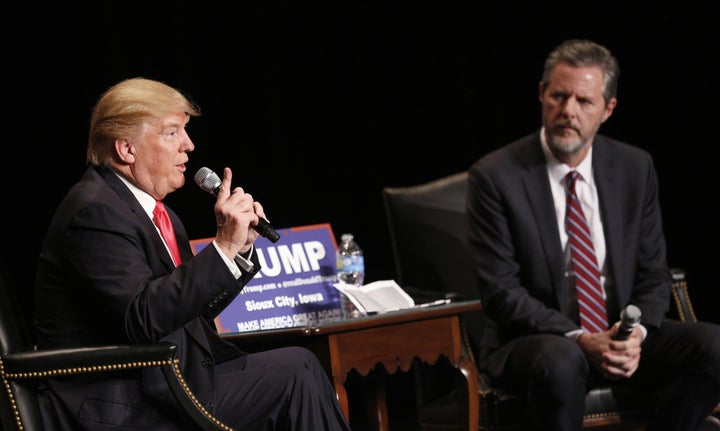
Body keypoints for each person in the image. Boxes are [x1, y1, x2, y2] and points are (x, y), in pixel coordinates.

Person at [34, 77, 351, 430]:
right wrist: (223, 248)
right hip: (121, 401)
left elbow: (188, 310)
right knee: (296, 372)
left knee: (297, 365)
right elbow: (142, 318)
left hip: (170, 380)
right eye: (172, 133)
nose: (189, 145)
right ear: (126, 149)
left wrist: (238, 250)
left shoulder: (159, 214)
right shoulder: (94, 212)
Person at [467, 39, 720, 431]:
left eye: (584, 102)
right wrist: (583, 337)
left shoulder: (635, 167)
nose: (568, 111)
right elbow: (502, 292)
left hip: (617, 332)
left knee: (715, 347)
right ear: (541, 94)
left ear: (608, 109)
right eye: (559, 96)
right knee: (562, 360)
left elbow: (654, 275)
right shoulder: (495, 176)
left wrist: (634, 338)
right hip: (536, 340)